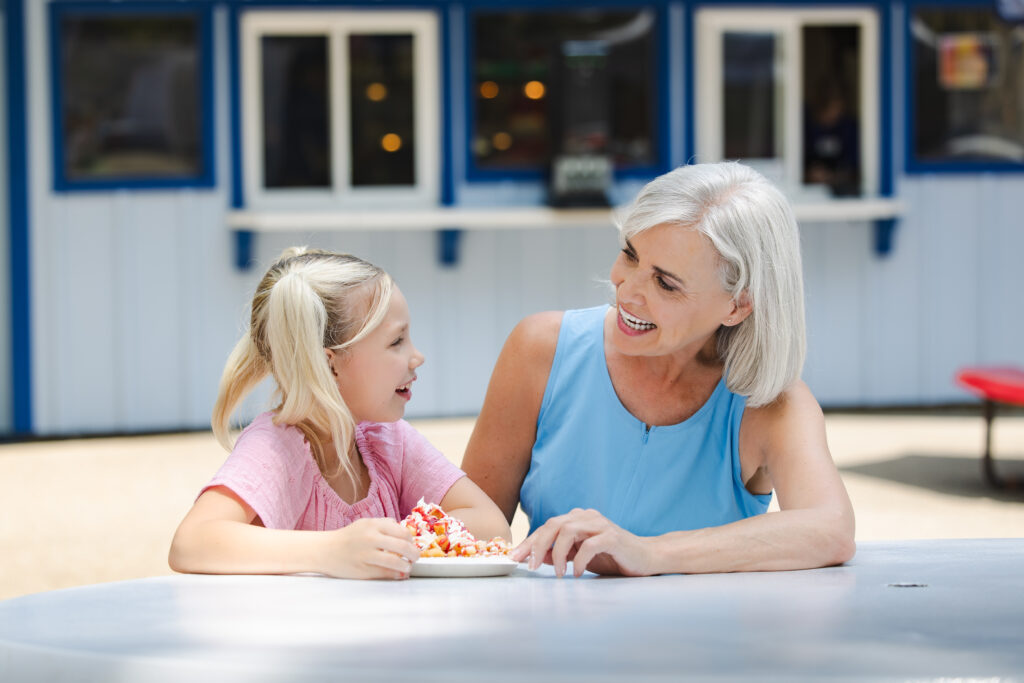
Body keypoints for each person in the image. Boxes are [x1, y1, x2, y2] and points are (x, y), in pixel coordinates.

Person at [461, 161, 855, 578]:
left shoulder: (770, 401)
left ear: (737, 305)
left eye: (666, 284)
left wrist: (650, 554)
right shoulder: (540, 348)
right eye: (630, 255)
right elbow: (465, 526)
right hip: (553, 632)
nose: (627, 291)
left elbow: (830, 529)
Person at [169, 247, 510, 580]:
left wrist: (387, 544)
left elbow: (491, 524)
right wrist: (332, 550)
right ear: (329, 364)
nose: (416, 356)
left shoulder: (386, 439)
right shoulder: (277, 447)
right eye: (396, 342)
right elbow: (192, 542)